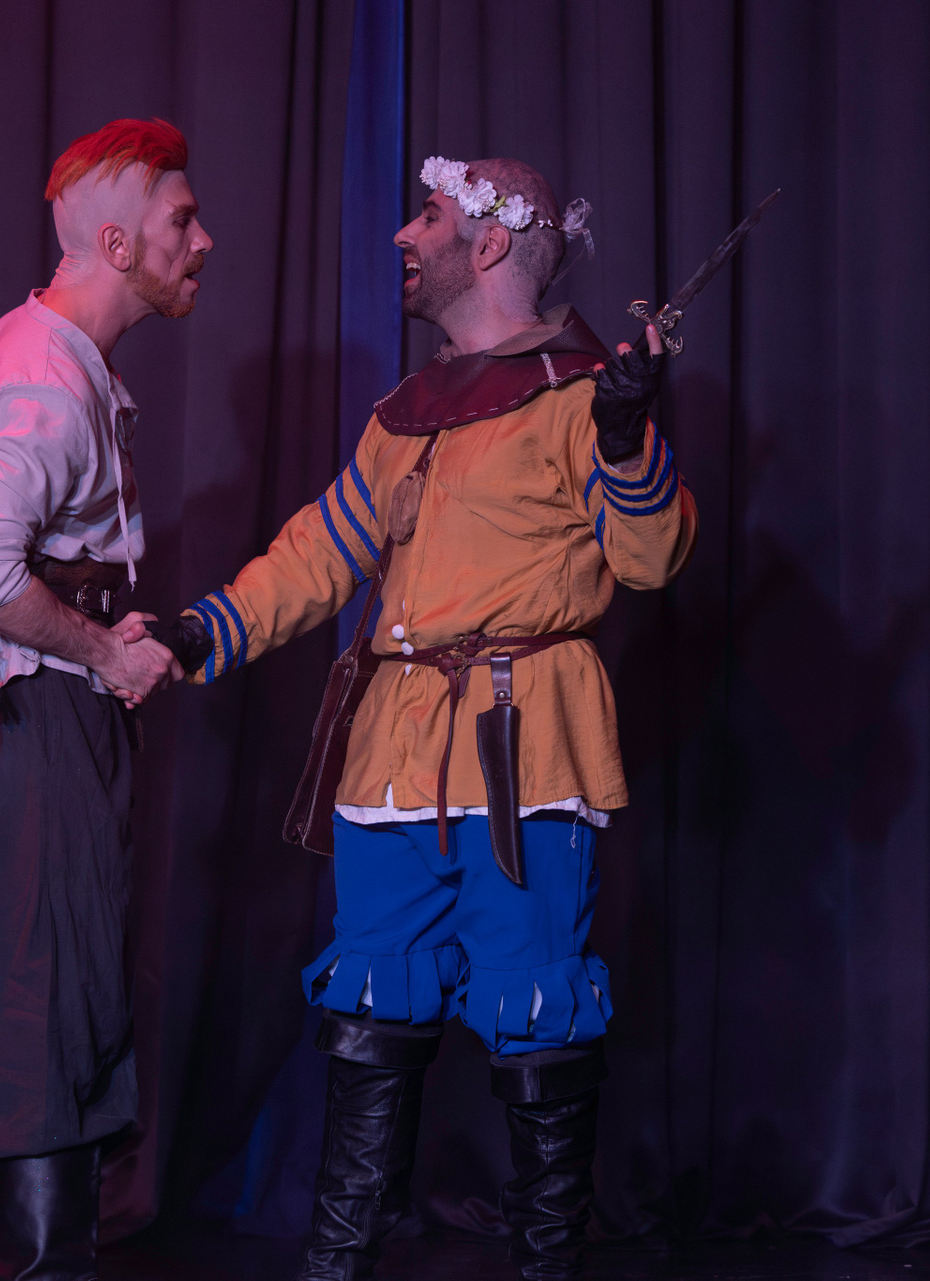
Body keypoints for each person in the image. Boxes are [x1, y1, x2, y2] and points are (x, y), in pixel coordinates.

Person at [169, 156, 696, 1280]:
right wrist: (200, 632)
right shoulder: (405, 418)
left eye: (431, 216)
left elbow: (650, 559)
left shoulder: (580, 397)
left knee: (538, 1016)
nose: (406, 236)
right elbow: (318, 554)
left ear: (491, 244)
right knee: (370, 1014)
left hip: (525, 760)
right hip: (394, 764)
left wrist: (622, 440)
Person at [0, 117, 209, 1281]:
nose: (201, 241)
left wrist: (102, 626)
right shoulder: (48, 377)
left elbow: (16, 554)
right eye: (180, 221)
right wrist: (105, 654)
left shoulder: (42, 352)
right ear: (116, 243)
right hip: (32, 713)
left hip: (10, 704)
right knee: (50, 1000)